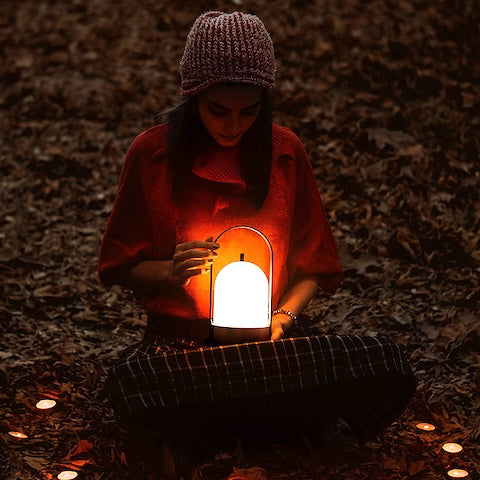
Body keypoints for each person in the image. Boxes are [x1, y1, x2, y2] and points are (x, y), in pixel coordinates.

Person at [98, 11, 416, 480]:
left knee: (384, 361)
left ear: (264, 105)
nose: (233, 126)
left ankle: (208, 431)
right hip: (181, 346)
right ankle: (280, 425)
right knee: (131, 384)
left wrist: (283, 318)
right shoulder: (152, 154)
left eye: (248, 112)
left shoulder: (285, 152)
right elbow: (118, 266)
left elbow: (315, 269)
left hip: (269, 346)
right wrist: (169, 271)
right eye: (217, 110)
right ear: (193, 98)